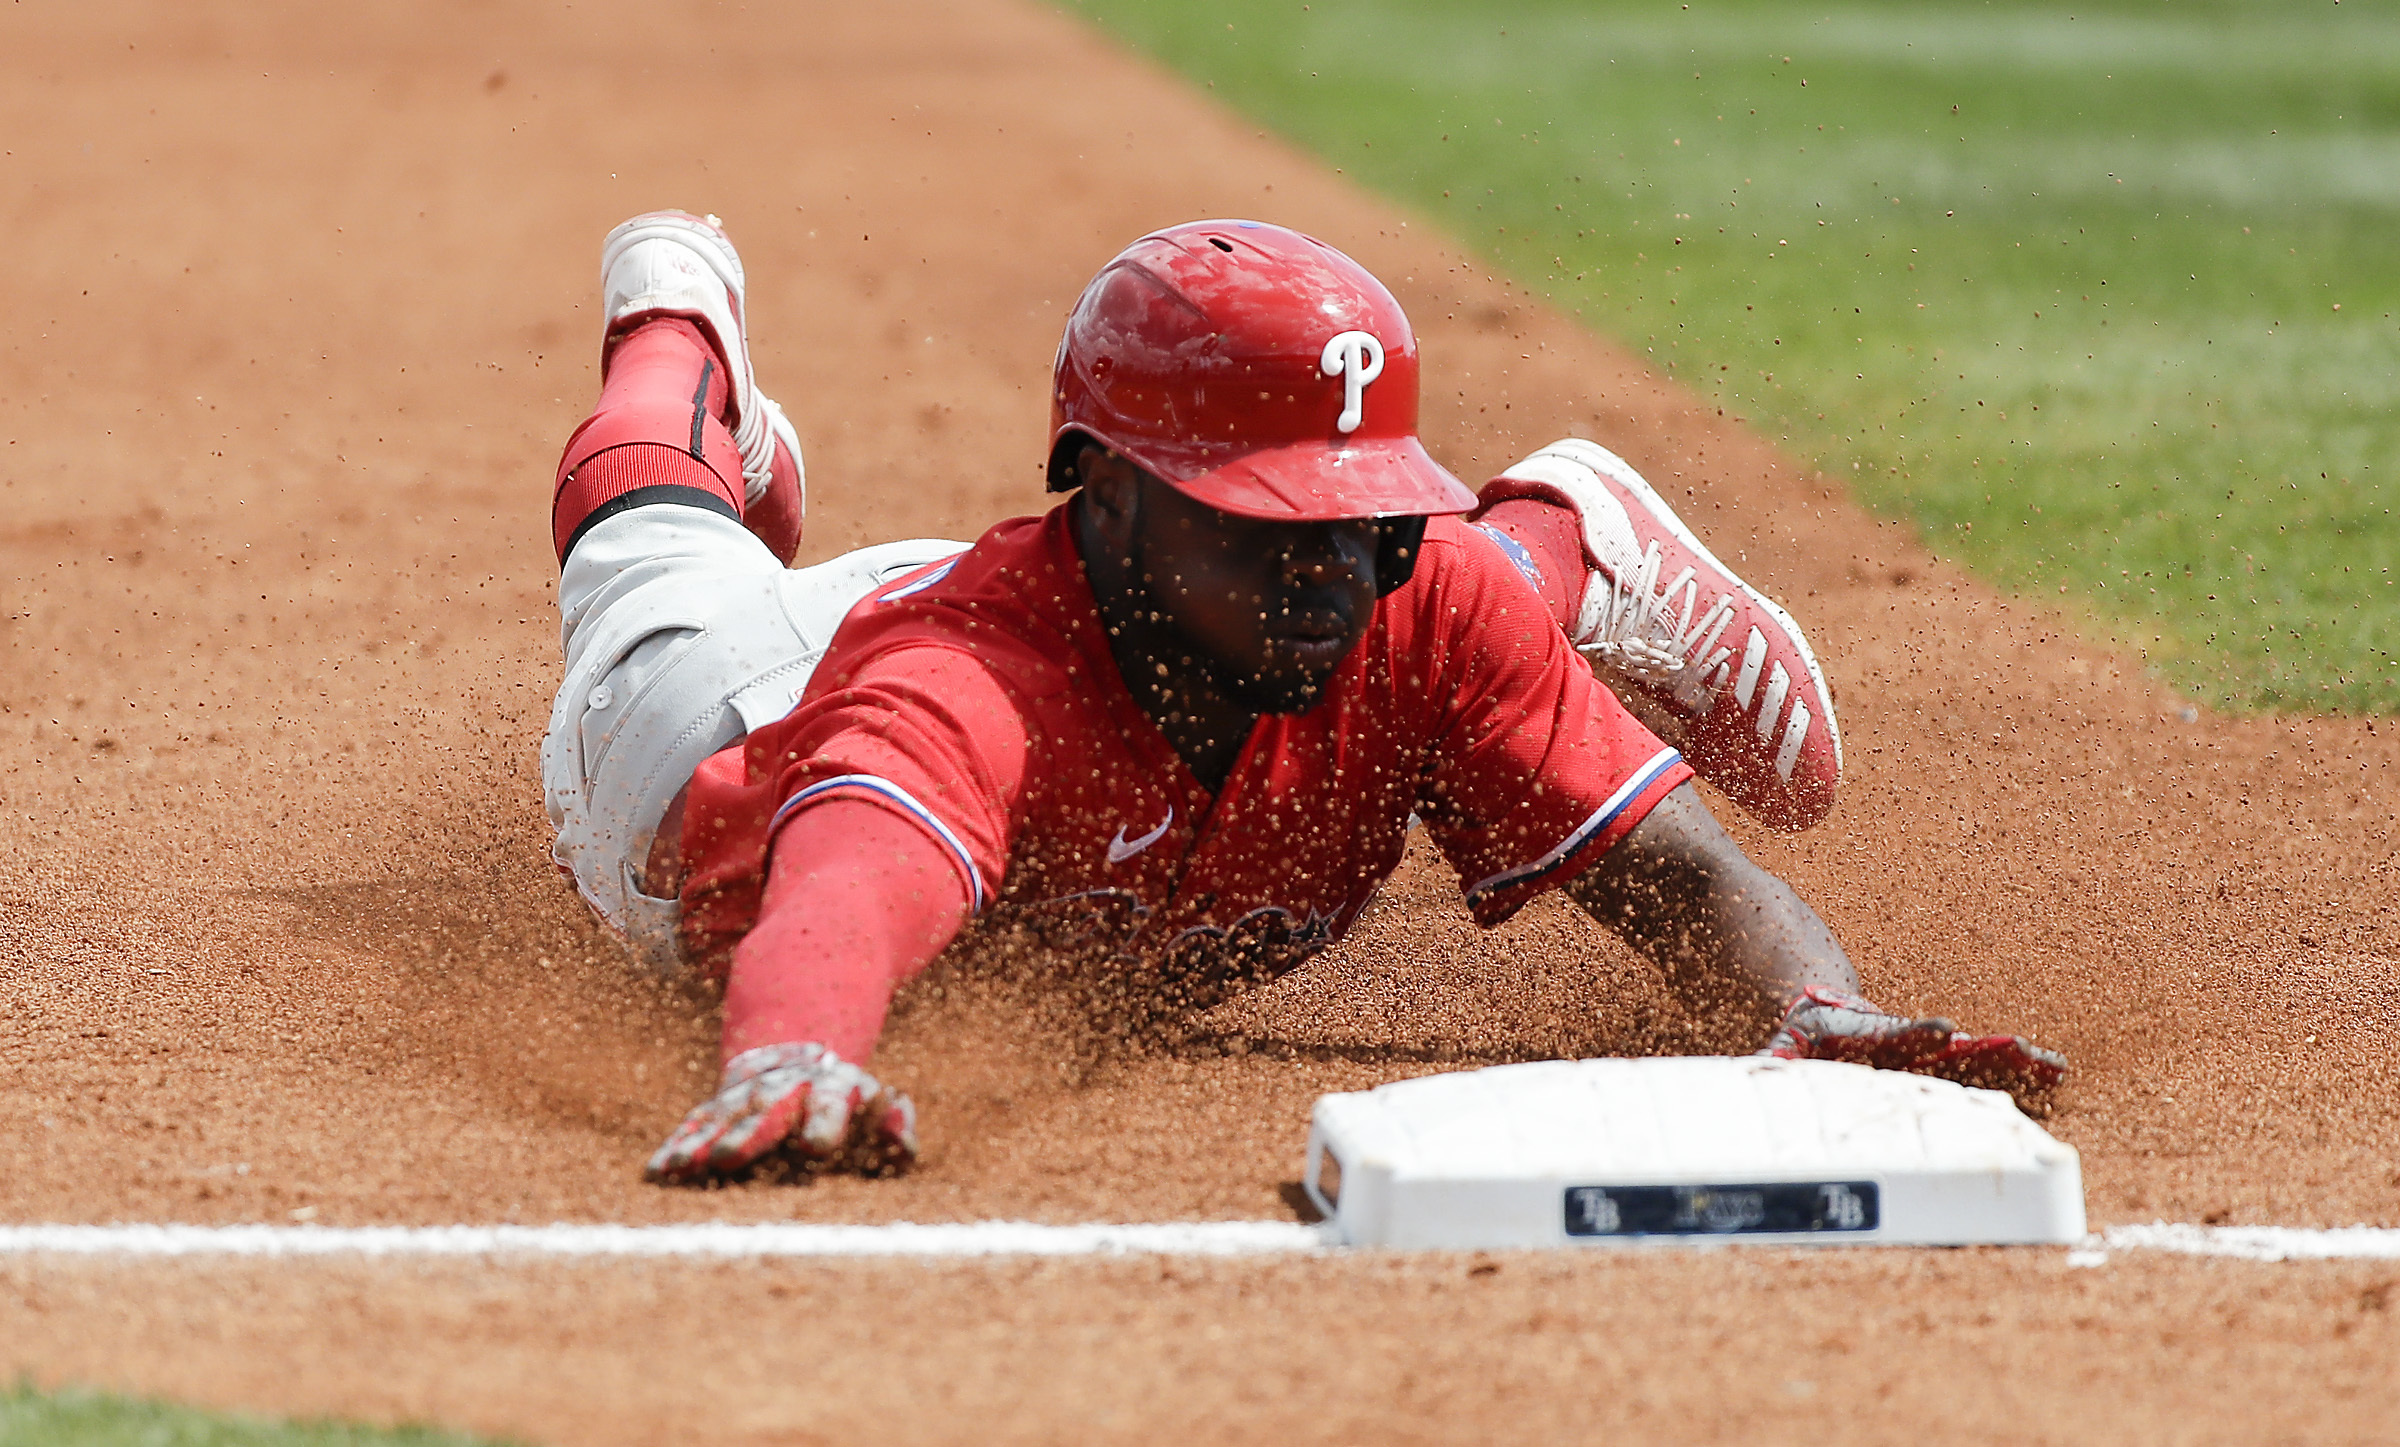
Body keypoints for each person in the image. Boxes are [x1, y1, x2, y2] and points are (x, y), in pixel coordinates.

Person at [537, 211, 2064, 1183]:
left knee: (1417, 626)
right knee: (640, 542)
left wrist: (1818, 1012)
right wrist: (793, 1051)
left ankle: (1550, 539)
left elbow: (1694, 883)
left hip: (1122, 625)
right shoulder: (958, 693)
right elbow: (846, 900)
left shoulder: (1395, 588)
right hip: (725, 713)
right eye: (1276, 517)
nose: (1337, 565)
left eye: (1378, 511)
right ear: (1109, 491)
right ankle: (679, 329)